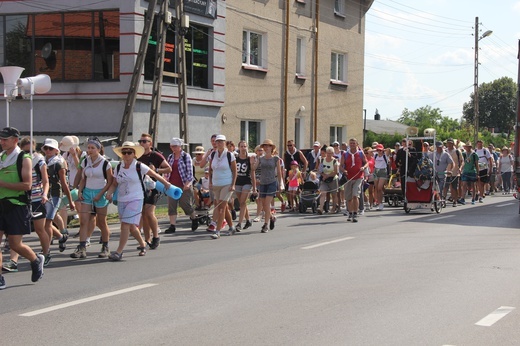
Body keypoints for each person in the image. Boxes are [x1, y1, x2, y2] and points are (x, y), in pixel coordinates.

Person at [106, 142, 172, 261]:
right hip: (122, 200)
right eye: (124, 152)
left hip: (136, 199)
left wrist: (166, 184)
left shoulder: (139, 166)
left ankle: (119, 252)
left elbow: (155, 175)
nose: (126, 155)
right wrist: (109, 192)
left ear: (134, 154)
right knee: (131, 226)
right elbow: (115, 183)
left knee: (125, 225)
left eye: (129, 152)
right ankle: (142, 244)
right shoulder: (119, 167)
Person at [0, 127, 44, 289]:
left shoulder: (23, 158)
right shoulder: (1, 157)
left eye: (5, 139)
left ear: (15, 140)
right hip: (1, 204)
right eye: (1, 139)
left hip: (17, 205)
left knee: (15, 244)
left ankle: (35, 260)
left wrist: (3, 184)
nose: (2, 142)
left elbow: (27, 185)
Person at [3, 137, 54, 273]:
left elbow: (45, 181)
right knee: (14, 235)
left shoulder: (38, 160)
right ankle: (13, 261)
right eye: (25, 149)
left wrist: (45, 194)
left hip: (37, 198)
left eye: (29, 149)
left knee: (39, 229)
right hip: (19, 199)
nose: (27, 152)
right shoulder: (13, 159)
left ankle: (46, 252)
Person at [70, 136, 112, 259]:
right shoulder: (85, 161)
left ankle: (105, 246)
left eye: (93, 148)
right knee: (84, 221)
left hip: (101, 192)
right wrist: (79, 190)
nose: (90, 150)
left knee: (101, 222)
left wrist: (101, 194)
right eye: (88, 148)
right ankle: (82, 247)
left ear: (98, 149)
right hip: (88, 192)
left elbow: (110, 181)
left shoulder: (105, 163)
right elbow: (83, 177)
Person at [137, 133, 172, 249]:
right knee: (143, 214)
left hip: (154, 186)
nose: (142, 143)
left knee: (149, 212)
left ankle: (156, 236)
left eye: (144, 141)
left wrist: (156, 169)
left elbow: (169, 168)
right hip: (141, 187)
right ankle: (147, 239)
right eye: (140, 141)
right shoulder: (137, 155)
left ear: (150, 143)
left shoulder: (156, 155)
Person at [165, 138, 199, 233]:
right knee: (171, 205)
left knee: (185, 205)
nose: (173, 148)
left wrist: (188, 183)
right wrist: (165, 181)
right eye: (172, 146)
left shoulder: (186, 156)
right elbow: (167, 170)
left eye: (175, 146)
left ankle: (194, 218)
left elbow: (190, 172)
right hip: (172, 186)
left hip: (184, 184)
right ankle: (172, 226)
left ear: (180, 147)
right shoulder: (170, 157)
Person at [209, 135, 237, 239]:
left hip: (227, 183)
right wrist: (210, 182)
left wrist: (233, 184)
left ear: (225, 143)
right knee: (223, 207)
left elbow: (234, 171)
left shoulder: (230, 155)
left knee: (221, 207)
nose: (219, 143)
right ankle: (231, 226)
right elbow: (210, 169)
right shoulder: (213, 155)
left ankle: (217, 231)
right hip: (216, 184)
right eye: (217, 142)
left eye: (221, 141)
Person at [256, 139, 283, 233]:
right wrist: (252, 162)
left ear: (272, 147)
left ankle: (265, 225)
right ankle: (272, 217)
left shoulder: (276, 158)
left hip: (272, 182)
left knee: (267, 204)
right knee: (264, 205)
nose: (266, 147)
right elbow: (254, 168)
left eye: (268, 146)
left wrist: (280, 184)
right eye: (265, 146)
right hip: (262, 183)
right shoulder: (261, 159)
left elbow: (279, 172)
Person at [340, 138, 367, 223]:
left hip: (358, 176)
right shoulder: (345, 154)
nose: (352, 144)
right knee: (348, 197)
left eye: (353, 143)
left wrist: (364, 167)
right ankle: (350, 213)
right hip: (348, 178)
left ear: (357, 144)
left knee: (355, 195)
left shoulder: (360, 153)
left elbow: (366, 162)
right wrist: (344, 171)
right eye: (351, 143)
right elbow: (341, 165)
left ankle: (355, 213)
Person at [234, 140, 255, 232]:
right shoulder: (235, 158)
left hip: (247, 182)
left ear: (247, 147)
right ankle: (248, 220)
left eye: (244, 146)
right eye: (241, 146)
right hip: (237, 182)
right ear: (238, 148)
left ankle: (239, 223)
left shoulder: (249, 159)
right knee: (242, 203)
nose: (243, 148)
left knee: (242, 202)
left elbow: (253, 173)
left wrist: (254, 188)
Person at [317, 147, 339, 214]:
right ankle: (321, 208)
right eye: (328, 153)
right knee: (323, 193)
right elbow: (319, 170)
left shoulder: (335, 161)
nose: (329, 155)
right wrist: (323, 175)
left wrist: (327, 176)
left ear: (333, 153)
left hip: (333, 179)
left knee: (334, 194)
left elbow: (336, 171)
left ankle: (334, 208)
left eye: (330, 153)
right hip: (324, 179)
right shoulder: (322, 160)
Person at [445, 138, 463, 207]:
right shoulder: (445, 151)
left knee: (454, 187)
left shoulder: (457, 151)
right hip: (446, 172)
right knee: (445, 187)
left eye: (450, 143)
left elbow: (462, 161)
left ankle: (455, 200)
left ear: (453, 143)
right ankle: (444, 200)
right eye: (448, 143)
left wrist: (460, 168)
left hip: (455, 172)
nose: (449, 144)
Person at [373, 144, 389, 211]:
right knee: (376, 188)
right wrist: (376, 150)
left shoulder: (385, 155)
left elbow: (388, 149)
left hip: (383, 171)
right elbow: (369, 151)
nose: (379, 151)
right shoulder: (375, 155)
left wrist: (383, 150)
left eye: (380, 150)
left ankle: (381, 203)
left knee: (380, 188)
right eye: (378, 150)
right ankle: (379, 203)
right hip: (376, 171)